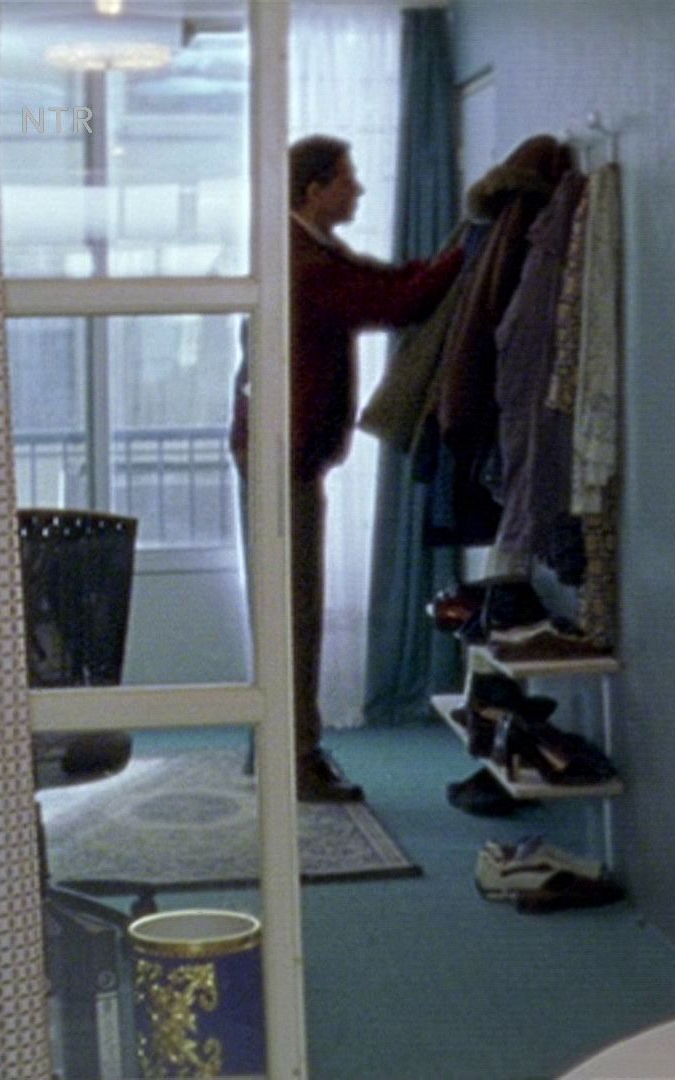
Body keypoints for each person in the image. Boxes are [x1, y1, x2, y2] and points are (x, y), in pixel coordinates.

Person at [229, 135, 464, 801]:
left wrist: (449, 258)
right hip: (282, 458)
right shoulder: (305, 263)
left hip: (275, 452)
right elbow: (398, 301)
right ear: (313, 190)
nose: (356, 190)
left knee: (284, 609)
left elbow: (387, 285)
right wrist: (469, 248)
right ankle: (296, 762)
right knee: (294, 614)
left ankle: (276, 749)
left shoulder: (300, 248)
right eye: (345, 179)